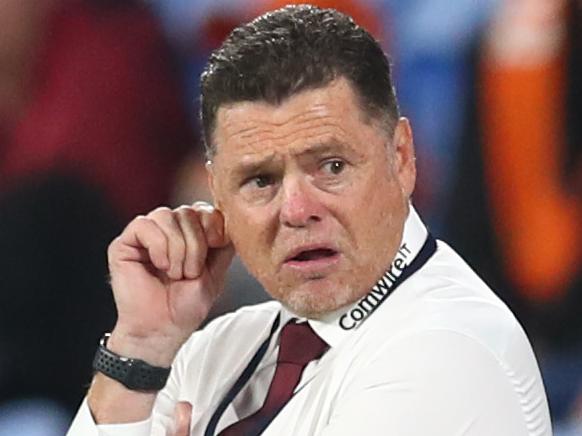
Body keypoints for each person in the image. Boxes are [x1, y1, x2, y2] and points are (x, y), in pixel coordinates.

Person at [68, 5, 552, 435]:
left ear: (402, 158)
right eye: (260, 180)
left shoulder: (447, 350)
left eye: (332, 167)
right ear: (217, 197)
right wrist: (140, 348)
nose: (297, 210)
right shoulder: (212, 351)